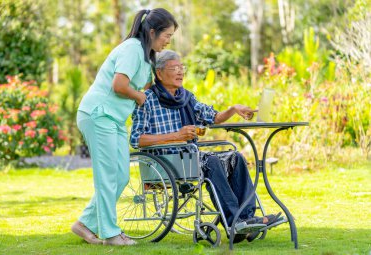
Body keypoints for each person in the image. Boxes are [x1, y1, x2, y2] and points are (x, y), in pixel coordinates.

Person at [130, 50, 282, 243]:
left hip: (190, 158)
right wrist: (176, 136)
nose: (180, 72)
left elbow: (213, 117)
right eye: (174, 68)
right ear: (159, 73)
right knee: (210, 161)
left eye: (181, 67)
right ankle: (236, 221)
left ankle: (246, 218)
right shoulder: (147, 100)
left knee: (236, 157)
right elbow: (136, 139)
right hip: (166, 161)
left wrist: (234, 109)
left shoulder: (186, 97)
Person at [71, 9, 178, 246]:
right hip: (98, 114)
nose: (169, 40)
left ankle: (85, 224)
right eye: (167, 35)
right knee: (108, 175)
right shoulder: (132, 49)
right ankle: (110, 234)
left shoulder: (146, 55)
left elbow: (149, 87)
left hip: (115, 120)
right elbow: (119, 85)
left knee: (121, 176)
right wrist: (138, 96)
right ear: (152, 32)